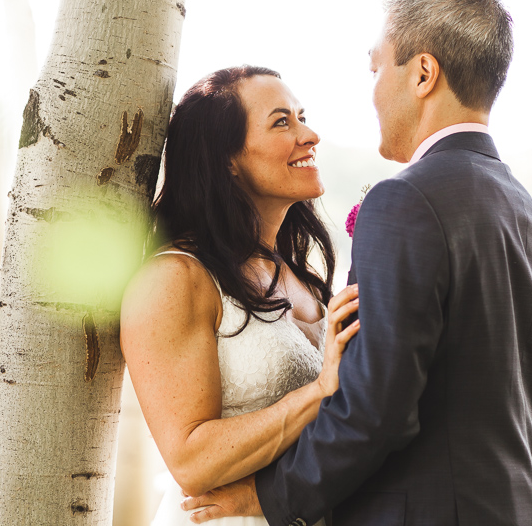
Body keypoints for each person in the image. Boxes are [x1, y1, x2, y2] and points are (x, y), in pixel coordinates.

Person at [181, 0, 532, 526]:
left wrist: (270, 497)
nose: (373, 89)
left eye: (377, 67)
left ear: (423, 74)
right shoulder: (525, 211)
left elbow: (376, 407)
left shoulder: (405, 199)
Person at [120, 65, 361, 526]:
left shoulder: (302, 279)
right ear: (226, 158)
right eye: (281, 122)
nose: (309, 135)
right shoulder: (175, 278)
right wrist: (320, 391)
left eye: (301, 116)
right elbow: (191, 462)